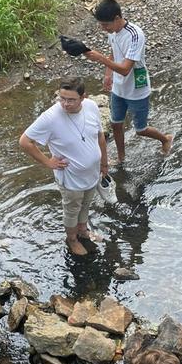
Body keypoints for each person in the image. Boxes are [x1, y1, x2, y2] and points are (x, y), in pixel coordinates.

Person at [20, 78, 108, 256]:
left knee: (85, 205)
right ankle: (72, 239)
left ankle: (83, 231)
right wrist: (48, 162)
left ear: (83, 98)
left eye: (71, 100)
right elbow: (25, 141)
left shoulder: (91, 107)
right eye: (62, 98)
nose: (65, 104)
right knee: (72, 209)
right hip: (70, 177)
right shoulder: (51, 117)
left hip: (92, 173)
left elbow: (99, 136)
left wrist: (104, 162)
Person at [82, 0, 172, 164]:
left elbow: (124, 69)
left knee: (141, 129)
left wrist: (101, 59)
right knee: (116, 124)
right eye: (101, 25)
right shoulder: (113, 33)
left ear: (117, 18)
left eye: (106, 25)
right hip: (119, 88)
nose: (103, 29)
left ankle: (165, 139)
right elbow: (114, 53)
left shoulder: (135, 35)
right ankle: (122, 158)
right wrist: (108, 74)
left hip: (137, 88)